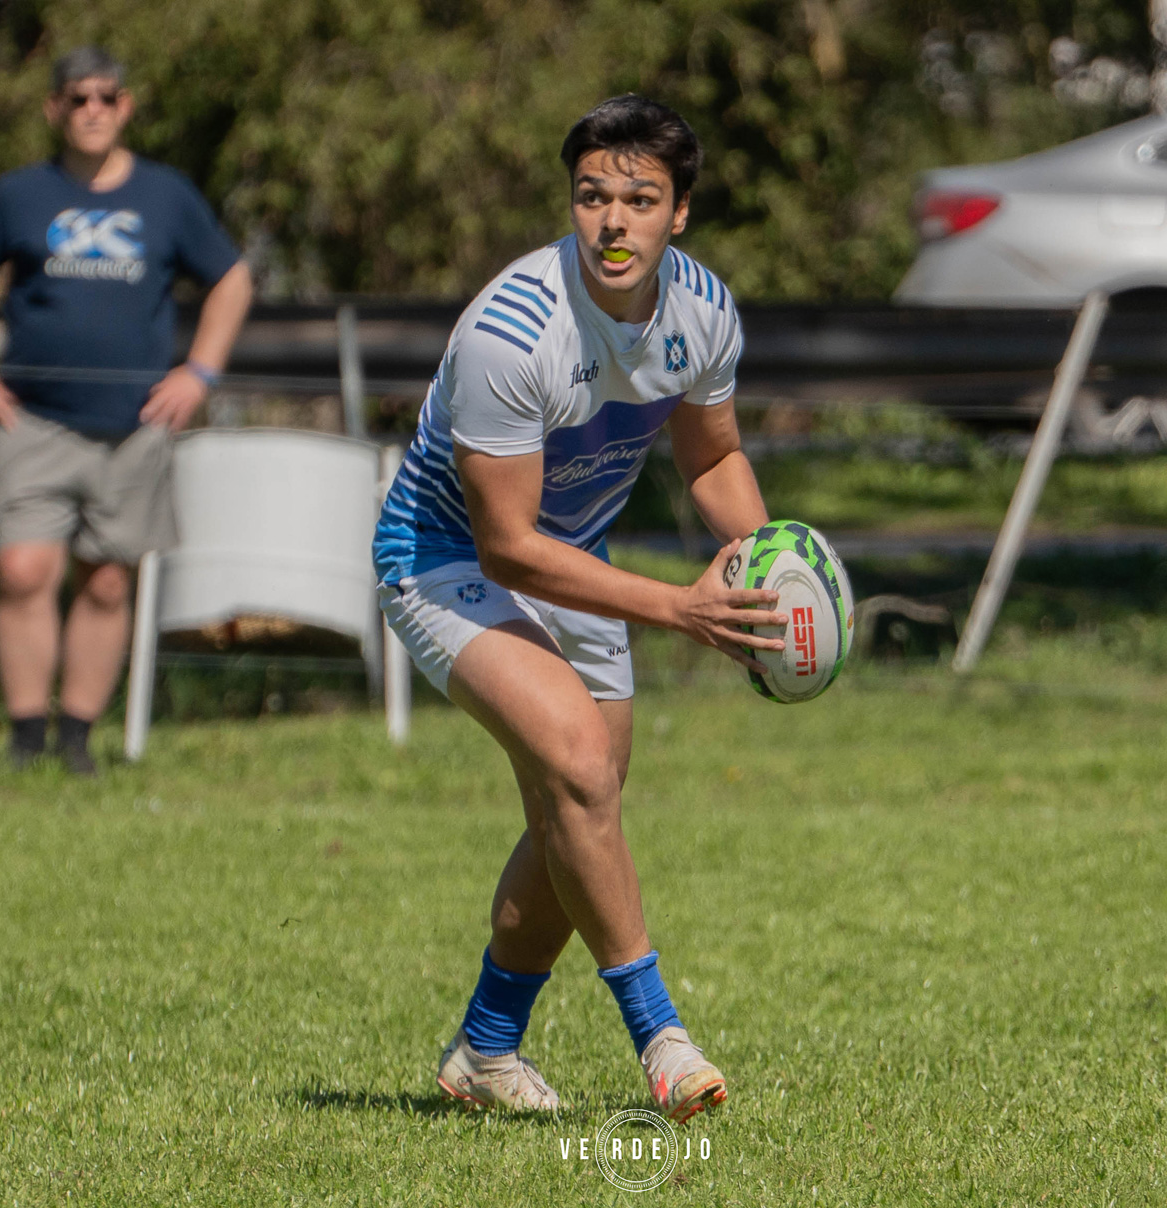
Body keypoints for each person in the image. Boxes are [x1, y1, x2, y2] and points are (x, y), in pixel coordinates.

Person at [372, 95, 787, 1122]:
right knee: (582, 768)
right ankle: (662, 1034)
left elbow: (716, 454)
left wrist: (761, 575)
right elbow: (508, 543)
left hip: (575, 562)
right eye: (593, 196)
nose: (613, 221)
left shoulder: (702, 312)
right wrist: (674, 607)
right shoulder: (513, 333)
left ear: (678, 212)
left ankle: (484, 1049)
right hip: (446, 560)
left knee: (575, 814)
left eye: (640, 199)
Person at [0, 46, 253, 774]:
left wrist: (198, 373)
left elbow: (231, 278)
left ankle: (76, 741)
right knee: (21, 570)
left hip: (136, 426)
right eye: (78, 99)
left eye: (107, 97)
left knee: (107, 580)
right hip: (34, 419)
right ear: (54, 110)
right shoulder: (20, 195)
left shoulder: (167, 196)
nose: (93, 111)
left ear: (126, 106)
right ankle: (22, 740)